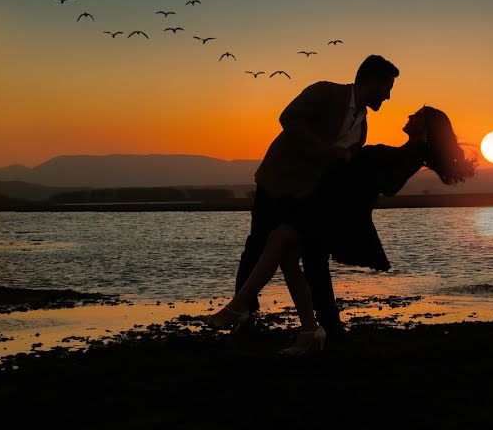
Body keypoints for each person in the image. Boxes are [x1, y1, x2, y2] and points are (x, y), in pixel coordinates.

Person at [203, 106, 475, 356]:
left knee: (279, 240)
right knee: (285, 256)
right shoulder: (408, 151)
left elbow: (388, 185)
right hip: (329, 205)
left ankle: (239, 308)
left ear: (426, 127)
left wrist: (354, 164)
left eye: (416, 116)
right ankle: (308, 331)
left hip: (335, 212)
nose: (409, 117)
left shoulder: (410, 155)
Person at [234, 54, 399, 342]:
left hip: (310, 198)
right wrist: (325, 151)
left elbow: (340, 170)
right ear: (370, 81)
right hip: (278, 183)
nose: (387, 96)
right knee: (258, 247)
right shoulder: (326, 91)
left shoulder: (362, 126)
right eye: (386, 88)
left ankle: (326, 324)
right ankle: (244, 316)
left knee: (316, 257)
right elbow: (289, 117)